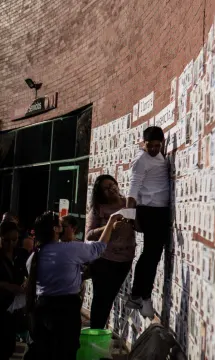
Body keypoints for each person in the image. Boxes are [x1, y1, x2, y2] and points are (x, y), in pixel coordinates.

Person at [25, 211, 122, 360]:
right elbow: (99, 248)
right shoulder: (69, 249)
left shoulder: (36, 254)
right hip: (65, 310)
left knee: (45, 351)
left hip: (42, 308)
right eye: (61, 224)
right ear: (55, 229)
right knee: (66, 351)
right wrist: (110, 222)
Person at [125, 126, 171, 318]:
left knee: (152, 255)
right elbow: (132, 191)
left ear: (162, 144)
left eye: (157, 146)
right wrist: (131, 218)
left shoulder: (158, 156)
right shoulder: (141, 160)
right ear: (143, 144)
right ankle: (141, 296)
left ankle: (140, 296)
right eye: (149, 146)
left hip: (159, 211)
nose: (153, 149)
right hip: (149, 211)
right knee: (151, 255)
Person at [86, 174, 136, 329]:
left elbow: (139, 226)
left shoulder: (127, 203)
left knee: (110, 297)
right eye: (106, 189)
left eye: (112, 185)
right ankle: (95, 333)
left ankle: (99, 332)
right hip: (104, 260)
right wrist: (109, 226)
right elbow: (88, 235)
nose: (111, 189)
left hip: (125, 259)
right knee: (101, 299)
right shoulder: (98, 209)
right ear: (101, 194)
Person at [0, 221, 26, 360]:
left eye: (14, 240)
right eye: (6, 240)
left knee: (9, 347)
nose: (10, 244)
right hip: (2, 304)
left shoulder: (20, 254)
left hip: (13, 309)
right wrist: (5, 285)